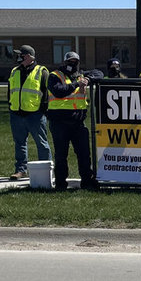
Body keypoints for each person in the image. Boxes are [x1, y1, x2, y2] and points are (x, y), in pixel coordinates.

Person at [47, 51, 103, 190]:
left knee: (84, 153)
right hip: (59, 122)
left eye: (75, 61)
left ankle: (87, 181)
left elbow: (99, 73)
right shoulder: (55, 76)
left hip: (78, 123)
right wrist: (76, 84)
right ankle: (61, 183)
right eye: (70, 61)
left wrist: (88, 80)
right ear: (64, 62)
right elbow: (59, 91)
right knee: (61, 155)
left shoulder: (81, 75)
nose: (73, 64)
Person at [7, 45, 52, 180]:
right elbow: (10, 91)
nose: (18, 57)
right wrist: (10, 106)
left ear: (29, 57)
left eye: (21, 55)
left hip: (35, 115)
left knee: (42, 144)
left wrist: (42, 110)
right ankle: (21, 170)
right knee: (19, 143)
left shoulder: (42, 71)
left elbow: (46, 93)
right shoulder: (15, 71)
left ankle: (46, 171)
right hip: (16, 113)